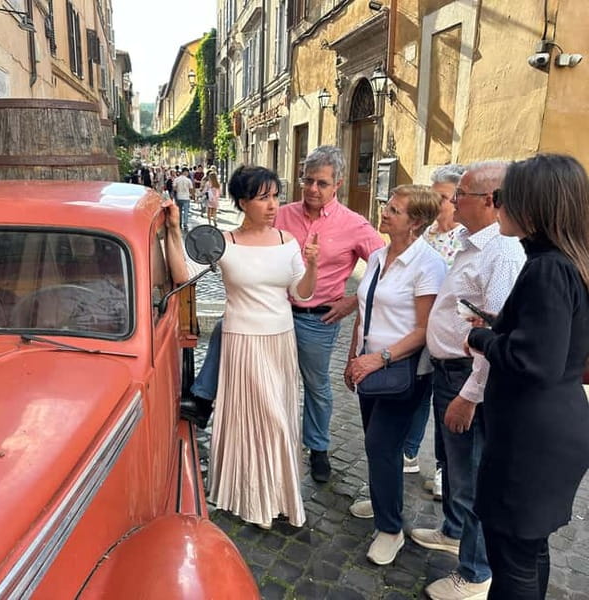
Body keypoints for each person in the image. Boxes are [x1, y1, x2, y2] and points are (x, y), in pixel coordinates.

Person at [184, 146, 384, 486]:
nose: (312, 190)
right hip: (273, 309)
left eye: (321, 183)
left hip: (318, 319)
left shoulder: (354, 225)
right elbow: (254, 242)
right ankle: (206, 400)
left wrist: (352, 301)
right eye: (308, 180)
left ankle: (317, 448)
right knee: (226, 330)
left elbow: (384, 265)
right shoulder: (281, 213)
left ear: (337, 184)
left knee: (316, 385)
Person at [164, 165, 319, 529]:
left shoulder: (287, 241)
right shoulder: (224, 242)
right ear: (243, 202)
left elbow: (302, 293)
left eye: (275, 196)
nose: (272, 205)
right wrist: (173, 230)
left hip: (280, 340)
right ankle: (250, 495)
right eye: (263, 198)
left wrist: (312, 266)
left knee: (280, 419)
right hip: (241, 340)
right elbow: (182, 274)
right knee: (255, 418)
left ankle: (277, 495)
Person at [464, 154, 589, 599]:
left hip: (532, 439)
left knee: (512, 558)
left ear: (533, 208)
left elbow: (536, 362)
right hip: (551, 429)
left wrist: (483, 340)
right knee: (527, 550)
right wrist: (505, 325)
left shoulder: (548, 269)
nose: (498, 207)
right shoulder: (567, 261)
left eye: (503, 199)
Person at [410, 161, 526, 600]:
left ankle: (475, 573)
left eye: (462, 195)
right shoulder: (471, 241)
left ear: (492, 201)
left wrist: (469, 395)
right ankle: (454, 531)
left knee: (471, 475)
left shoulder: (504, 253)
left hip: (466, 379)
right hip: (447, 371)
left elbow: (496, 336)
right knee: (453, 466)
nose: (453, 202)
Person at [344, 186, 446, 565]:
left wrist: (379, 359)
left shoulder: (428, 265)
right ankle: (382, 494)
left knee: (381, 445)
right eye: (387, 206)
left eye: (395, 210)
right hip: (369, 367)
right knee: (377, 443)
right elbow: (363, 308)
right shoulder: (377, 256)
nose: (384, 213)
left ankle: (390, 530)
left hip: (403, 373)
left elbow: (424, 329)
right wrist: (354, 356)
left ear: (416, 222)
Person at [403, 164, 467, 494]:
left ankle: (445, 471)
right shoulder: (427, 234)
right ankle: (409, 451)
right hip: (420, 328)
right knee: (416, 392)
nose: (436, 201)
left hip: (449, 336)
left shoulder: (464, 239)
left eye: (441, 196)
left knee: (444, 403)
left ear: (457, 199)